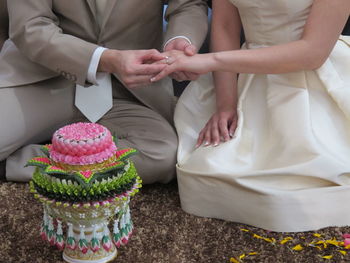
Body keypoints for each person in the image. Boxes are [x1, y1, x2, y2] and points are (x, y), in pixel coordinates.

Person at [152, 0, 350, 232]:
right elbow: (225, 27)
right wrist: (226, 103)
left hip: (313, 74)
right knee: (212, 166)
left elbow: (312, 53)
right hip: (246, 76)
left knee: (314, 172)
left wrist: (209, 61)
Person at [0, 0, 208, 183]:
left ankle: (16, 164)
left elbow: (187, 5)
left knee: (162, 154)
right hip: (44, 79)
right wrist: (105, 60)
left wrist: (180, 41)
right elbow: (31, 27)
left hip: (129, 91)